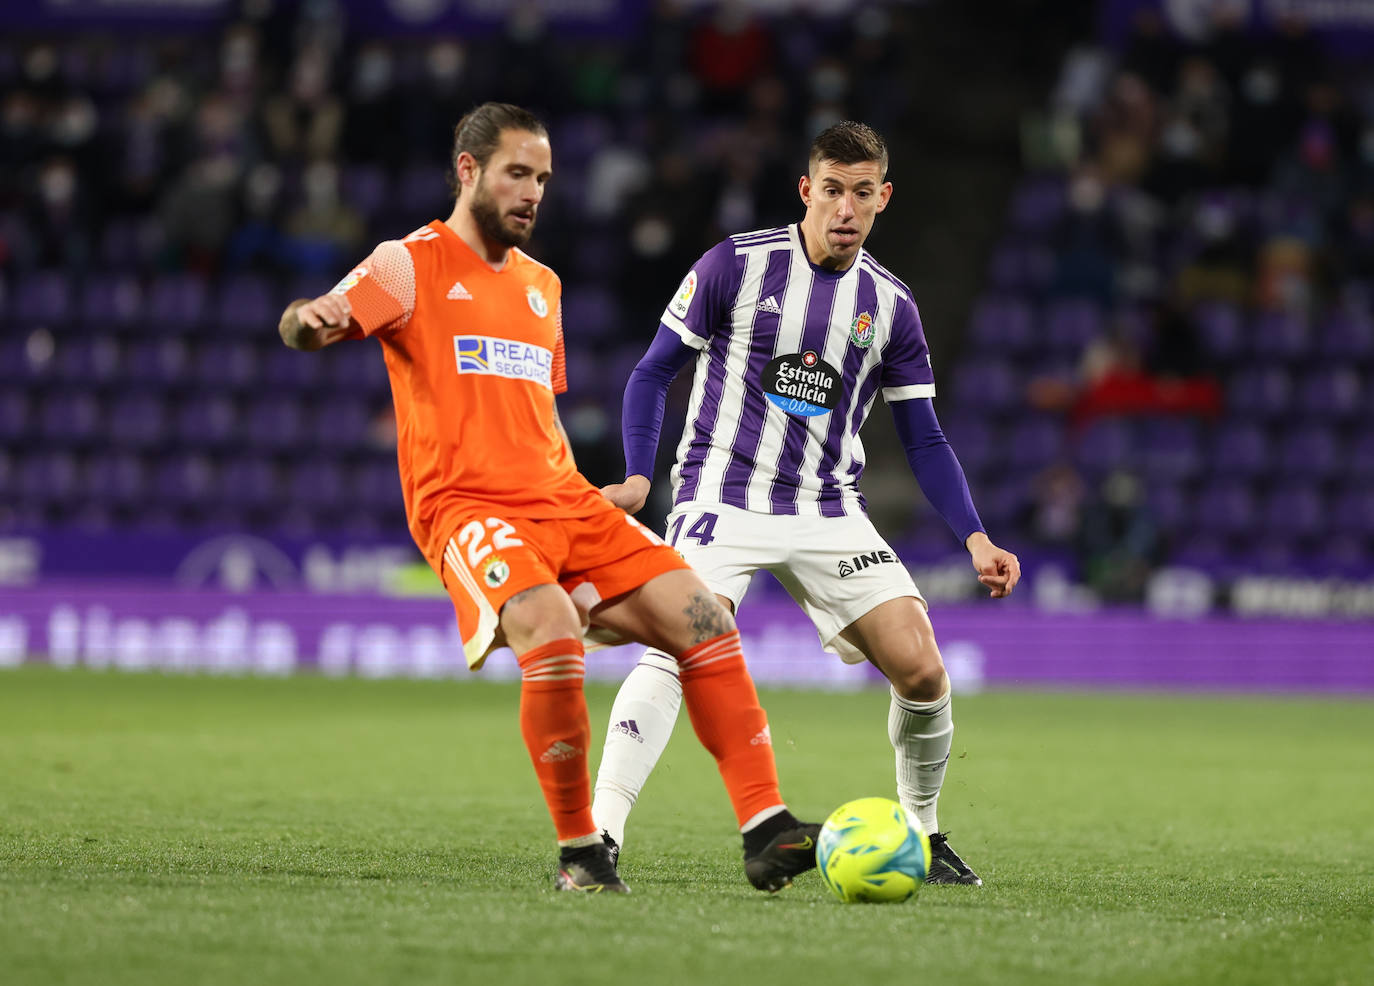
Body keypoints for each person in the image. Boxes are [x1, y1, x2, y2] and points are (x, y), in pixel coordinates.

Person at [277, 102, 818, 895]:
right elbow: (307, 322)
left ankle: (766, 828)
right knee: (552, 631)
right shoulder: (408, 264)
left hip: (562, 498)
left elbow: (529, 405)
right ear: (469, 171)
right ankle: (581, 853)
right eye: (517, 174)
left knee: (705, 617)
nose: (533, 192)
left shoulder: (543, 286)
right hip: (466, 504)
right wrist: (311, 319)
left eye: (543, 179)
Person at [595, 120, 1021, 885]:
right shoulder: (735, 264)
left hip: (827, 508)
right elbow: (652, 373)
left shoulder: (891, 306)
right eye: (832, 190)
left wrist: (975, 537)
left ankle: (922, 836)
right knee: (680, 641)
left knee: (923, 671)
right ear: (806, 189)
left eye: (862, 193)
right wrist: (635, 476)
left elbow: (923, 438)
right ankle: (599, 837)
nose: (845, 209)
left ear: (883, 198)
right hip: (721, 495)